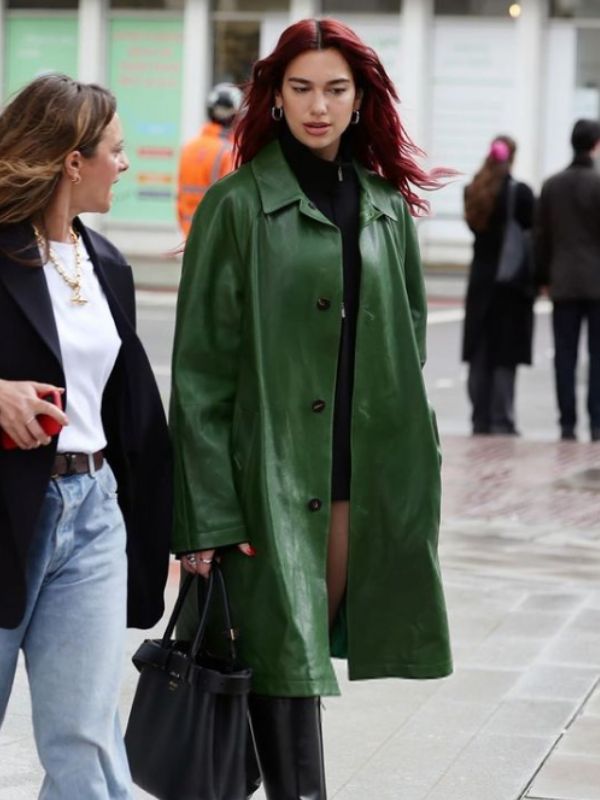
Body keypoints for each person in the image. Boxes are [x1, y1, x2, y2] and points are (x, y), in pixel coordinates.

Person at [170, 18, 452, 800]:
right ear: (276, 96)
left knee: (288, 668)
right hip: (262, 483)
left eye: (335, 89)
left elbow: (412, 340)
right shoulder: (235, 207)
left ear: (361, 99)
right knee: (284, 665)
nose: (318, 106)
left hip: (355, 484)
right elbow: (198, 375)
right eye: (301, 88)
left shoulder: (387, 208)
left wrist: (414, 465)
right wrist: (206, 517)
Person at [0, 74, 171, 799]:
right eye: (117, 150)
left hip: (93, 509)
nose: (125, 165)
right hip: (5, 511)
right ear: (74, 160)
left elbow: (132, 412)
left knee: (87, 735)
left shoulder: (107, 264)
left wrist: (184, 531)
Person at [462, 135, 535, 436]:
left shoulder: (473, 191)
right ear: (512, 157)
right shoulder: (521, 194)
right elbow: (533, 233)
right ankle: (501, 419)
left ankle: (479, 417)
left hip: (480, 281)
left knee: (480, 350)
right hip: (510, 283)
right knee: (505, 353)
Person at [535, 119, 600, 442]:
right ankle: (597, 423)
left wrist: (543, 277)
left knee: (565, 355)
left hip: (562, 280)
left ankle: (567, 423)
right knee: (598, 356)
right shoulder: (598, 183)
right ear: (595, 144)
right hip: (597, 283)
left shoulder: (552, 185)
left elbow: (541, 237)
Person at [176, 82, 243, 236]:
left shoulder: (189, 148)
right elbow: (231, 202)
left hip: (188, 235)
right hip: (215, 236)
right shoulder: (228, 151)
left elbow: (179, 197)